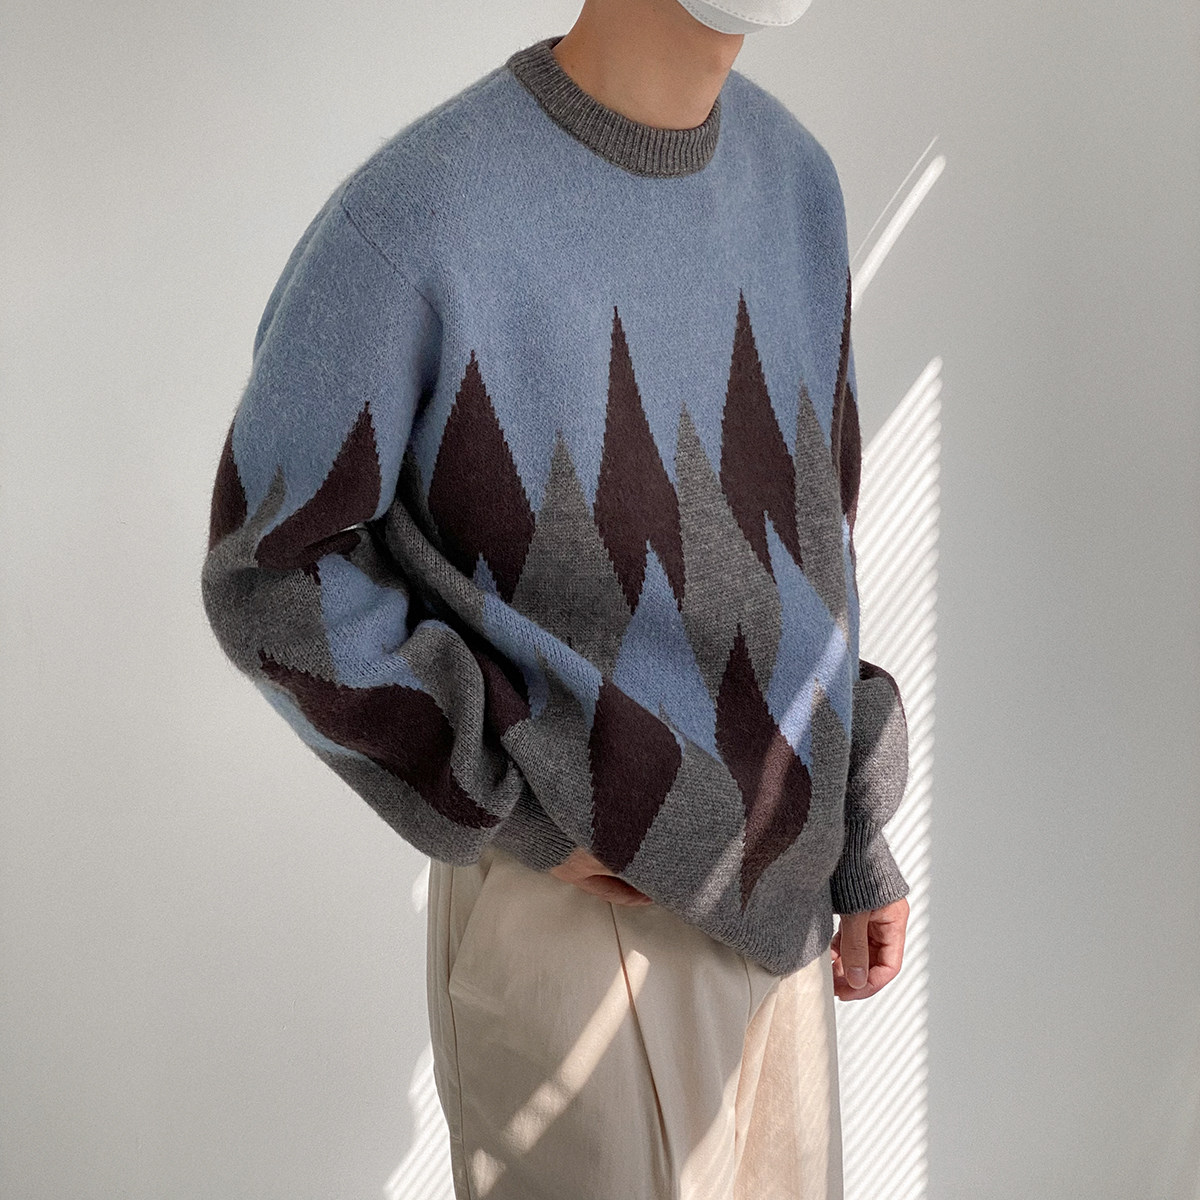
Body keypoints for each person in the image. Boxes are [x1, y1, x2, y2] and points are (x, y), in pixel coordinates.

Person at [201, 0, 911, 1195]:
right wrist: (514, 801)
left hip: (781, 914)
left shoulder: (798, 184)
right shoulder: (419, 216)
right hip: (581, 924)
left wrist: (852, 837)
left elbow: (813, 545)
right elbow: (269, 570)